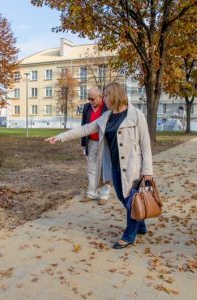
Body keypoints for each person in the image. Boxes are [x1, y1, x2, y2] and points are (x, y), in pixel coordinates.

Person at [46, 82, 153, 249]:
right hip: (114, 166)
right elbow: (85, 129)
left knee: (130, 200)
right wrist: (60, 137)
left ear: (115, 95)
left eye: (105, 95)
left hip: (133, 167)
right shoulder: (107, 116)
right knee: (122, 198)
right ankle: (141, 224)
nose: (103, 99)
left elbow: (145, 145)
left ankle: (129, 236)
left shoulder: (136, 115)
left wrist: (147, 171)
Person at [80, 87, 110, 205]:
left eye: (93, 98)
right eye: (89, 98)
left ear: (100, 97)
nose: (90, 101)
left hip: (104, 143)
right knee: (91, 169)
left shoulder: (107, 107)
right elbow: (84, 126)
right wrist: (83, 144)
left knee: (104, 169)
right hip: (91, 142)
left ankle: (104, 195)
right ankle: (91, 193)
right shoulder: (87, 107)